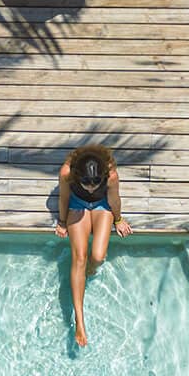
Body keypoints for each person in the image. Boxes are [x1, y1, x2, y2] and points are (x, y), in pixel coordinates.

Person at [55, 144, 133, 347]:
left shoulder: (111, 175)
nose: (91, 187)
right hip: (77, 205)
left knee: (97, 257)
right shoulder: (66, 172)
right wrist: (62, 222)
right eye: (86, 183)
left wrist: (118, 219)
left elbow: (114, 199)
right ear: (77, 175)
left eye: (96, 183)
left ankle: (88, 271)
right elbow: (64, 197)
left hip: (101, 206)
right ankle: (80, 320)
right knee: (79, 257)